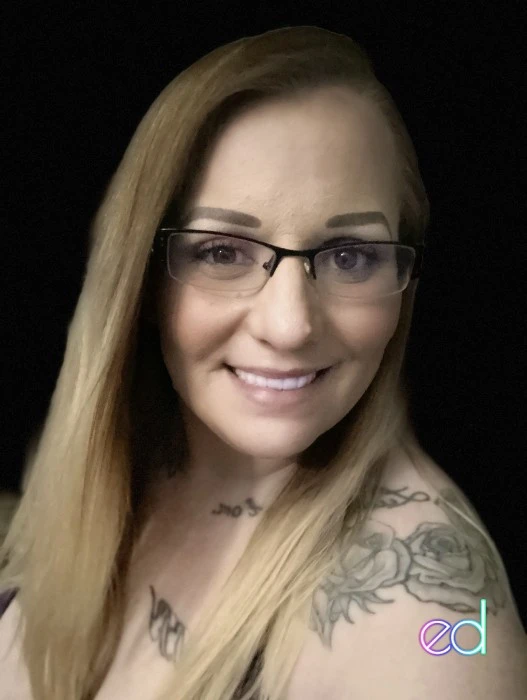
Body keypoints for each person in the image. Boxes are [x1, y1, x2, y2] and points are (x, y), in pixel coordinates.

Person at [1, 24, 525, 700]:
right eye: (222, 252)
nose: (289, 326)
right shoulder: (109, 477)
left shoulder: (433, 620)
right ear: (141, 279)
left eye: (350, 257)